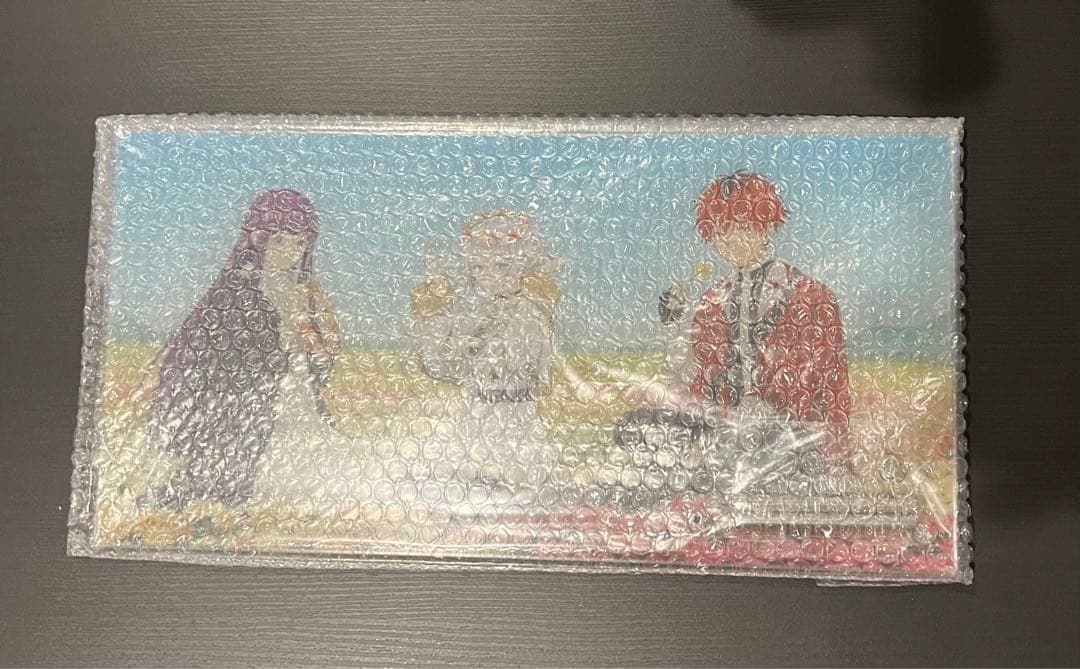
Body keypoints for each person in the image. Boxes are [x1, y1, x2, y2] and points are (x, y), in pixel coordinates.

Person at [147, 188, 343, 509]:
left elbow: (320, 349)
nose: (290, 253)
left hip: (294, 392)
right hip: (245, 403)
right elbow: (219, 355)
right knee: (244, 469)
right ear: (258, 237)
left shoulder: (305, 294)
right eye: (280, 240)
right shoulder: (237, 292)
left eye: (300, 243)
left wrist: (316, 344)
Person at [660, 173, 852, 463]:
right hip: (726, 449)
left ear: (767, 227)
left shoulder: (813, 297)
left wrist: (834, 458)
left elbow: (832, 390)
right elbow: (700, 383)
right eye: (721, 232)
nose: (730, 241)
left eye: (742, 228)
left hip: (795, 450)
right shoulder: (710, 304)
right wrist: (671, 327)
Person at [408, 210, 561, 494]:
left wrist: (442, 328)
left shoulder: (528, 315)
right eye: (478, 268)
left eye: (500, 266)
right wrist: (431, 318)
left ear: (522, 266)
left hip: (514, 419)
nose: (487, 276)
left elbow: (514, 364)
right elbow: (442, 365)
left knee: (512, 486)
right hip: (477, 417)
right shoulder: (488, 315)